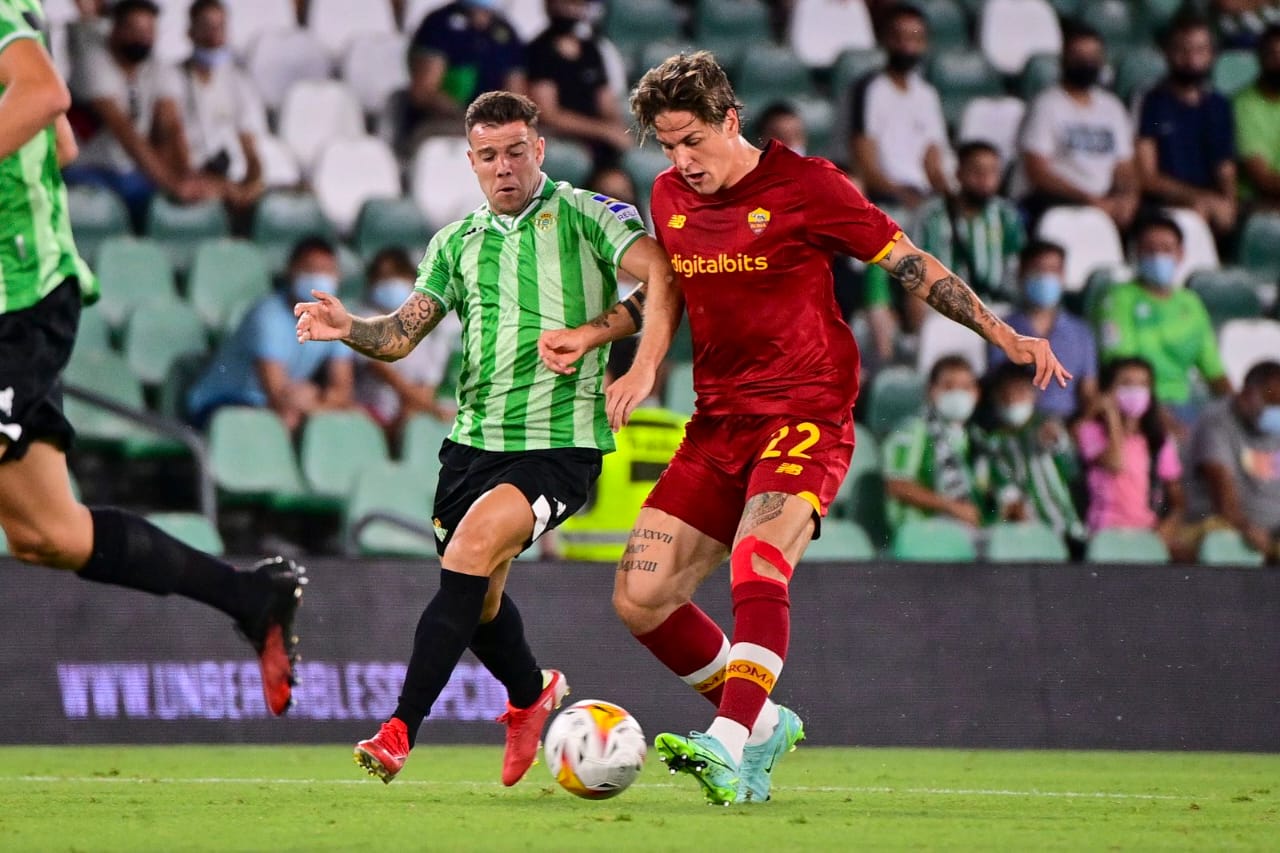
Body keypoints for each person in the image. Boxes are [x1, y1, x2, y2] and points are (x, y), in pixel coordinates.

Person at [538, 51, 1068, 806]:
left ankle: (725, 744)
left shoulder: (808, 186)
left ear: (731, 119)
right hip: (719, 421)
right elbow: (670, 289)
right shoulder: (669, 195)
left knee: (757, 559)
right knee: (641, 597)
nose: (681, 160)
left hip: (806, 412)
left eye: (693, 140)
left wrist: (1002, 334)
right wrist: (616, 347)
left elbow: (909, 263)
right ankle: (762, 726)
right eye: (668, 145)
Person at [294, 91, 671, 787]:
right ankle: (531, 691)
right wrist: (350, 329)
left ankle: (399, 728)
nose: (504, 167)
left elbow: (664, 276)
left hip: (558, 444)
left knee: (468, 553)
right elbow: (401, 334)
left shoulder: (589, 214)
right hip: (471, 446)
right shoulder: (454, 242)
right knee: (481, 598)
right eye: (489, 155)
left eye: (516, 151)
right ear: (470, 161)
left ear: (539, 150)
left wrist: (600, 337)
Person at [0, 0, 302, 719]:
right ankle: (250, 596)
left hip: (18, 301)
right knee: (48, 533)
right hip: (17, 300)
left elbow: (45, 94)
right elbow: (59, 145)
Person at [63, 0, 215, 227]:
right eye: (133, 29)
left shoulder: (156, 66)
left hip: (131, 173)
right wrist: (172, 183)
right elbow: (125, 132)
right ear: (116, 30)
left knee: (172, 208)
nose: (142, 38)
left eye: (148, 30)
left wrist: (187, 175)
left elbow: (171, 125)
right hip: (86, 170)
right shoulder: (93, 62)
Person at [186, 236, 356, 431]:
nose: (319, 277)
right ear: (291, 271)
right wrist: (316, 402)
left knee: (353, 416)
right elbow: (276, 395)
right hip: (223, 403)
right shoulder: (267, 317)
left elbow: (342, 390)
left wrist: (316, 403)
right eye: (310, 269)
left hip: (282, 404)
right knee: (288, 420)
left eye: (326, 270)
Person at [865, 140, 1027, 341]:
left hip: (997, 310)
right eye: (977, 170)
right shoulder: (931, 217)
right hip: (942, 313)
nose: (985, 179)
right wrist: (919, 334)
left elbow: (1018, 270)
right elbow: (915, 276)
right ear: (959, 173)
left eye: (993, 171)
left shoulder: (1007, 217)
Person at [1094, 214, 1230, 424]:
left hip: (1185, 405)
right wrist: (1160, 418)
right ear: (1136, 253)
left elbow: (1214, 371)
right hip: (1137, 407)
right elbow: (1123, 368)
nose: (1158, 256)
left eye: (1166, 249)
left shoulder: (1190, 303)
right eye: (1149, 249)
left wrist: (1238, 408)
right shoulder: (1117, 299)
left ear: (1180, 254)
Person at [1019, 21, 1139, 232]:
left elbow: (1124, 166)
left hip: (1106, 199)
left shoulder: (1112, 106)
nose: (1086, 62)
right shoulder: (1046, 104)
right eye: (1079, 56)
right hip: (1061, 199)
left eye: (1093, 56)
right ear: (1064, 59)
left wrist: (1128, 198)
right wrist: (1088, 200)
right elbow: (1037, 170)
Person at [1075, 357, 1188, 559]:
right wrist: (1112, 416)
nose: (1136, 391)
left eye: (1143, 384)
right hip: (1104, 534)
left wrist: (1168, 526)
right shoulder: (1091, 431)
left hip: (1146, 534)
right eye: (1126, 383)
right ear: (1108, 390)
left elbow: (1176, 496)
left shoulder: (1158, 441)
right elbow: (1115, 462)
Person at [1136, 14, 1238, 238]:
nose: (1192, 59)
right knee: (1196, 212)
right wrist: (1196, 196)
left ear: (1211, 54)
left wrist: (1229, 202)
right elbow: (1147, 176)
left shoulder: (1219, 105)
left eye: (1200, 51)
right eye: (1183, 50)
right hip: (1163, 202)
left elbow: (1225, 167)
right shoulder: (1151, 102)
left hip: (1209, 201)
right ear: (1168, 53)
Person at [973, 361, 1087, 555]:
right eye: (1006, 394)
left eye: (1020, 392)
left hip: (1067, 530)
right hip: (1028, 536)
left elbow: (1072, 469)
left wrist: (1059, 442)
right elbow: (1002, 490)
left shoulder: (1048, 426)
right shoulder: (992, 443)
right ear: (995, 398)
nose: (1012, 399)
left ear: (1034, 394)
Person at [389, 0, 526, 158]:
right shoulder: (439, 23)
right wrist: (471, 117)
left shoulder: (506, 32)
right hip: (440, 124)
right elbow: (423, 92)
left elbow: (515, 97)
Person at [847, 2, 949, 211]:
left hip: (922, 197)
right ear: (885, 39)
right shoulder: (869, 89)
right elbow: (864, 162)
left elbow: (933, 159)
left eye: (914, 38)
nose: (906, 46)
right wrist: (899, 194)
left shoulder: (927, 94)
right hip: (884, 198)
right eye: (899, 37)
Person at [354, 247, 461, 434]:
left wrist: (421, 406)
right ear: (371, 282)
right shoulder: (362, 320)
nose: (391, 282)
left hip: (412, 410)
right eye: (383, 277)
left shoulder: (424, 328)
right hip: (371, 413)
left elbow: (429, 384)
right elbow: (388, 376)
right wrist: (431, 408)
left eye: (397, 275)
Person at [177, 0, 267, 222]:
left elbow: (250, 147)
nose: (214, 35)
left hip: (232, 181)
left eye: (220, 27)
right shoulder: (172, 79)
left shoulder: (239, 82)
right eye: (206, 26)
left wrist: (252, 183)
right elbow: (170, 143)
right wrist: (219, 186)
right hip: (187, 177)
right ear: (190, 32)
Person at [989, 240, 1098, 422]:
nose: (1046, 277)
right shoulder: (1000, 329)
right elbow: (998, 388)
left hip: (1068, 425)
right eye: (1038, 269)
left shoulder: (1081, 332)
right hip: (1017, 423)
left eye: (1053, 270)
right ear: (1021, 274)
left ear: (1063, 276)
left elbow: (1088, 392)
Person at [1187, 360, 1280, 563]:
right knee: (1222, 537)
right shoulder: (1218, 420)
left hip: (1274, 533)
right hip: (1232, 527)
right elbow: (1221, 487)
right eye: (1271, 401)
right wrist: (1247, 527)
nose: (1277, 409)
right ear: (1247, 394)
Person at [882, 355, 987, 532]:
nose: (957, 394)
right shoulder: (913, 429)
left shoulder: (977, 438)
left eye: (965, 387)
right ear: (931, 390)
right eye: (948, 386)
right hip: (921, 532)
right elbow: (896, 485)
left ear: (976, 394)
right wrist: (951, 507)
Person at [526, 0, 630, 167]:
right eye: (564, 5)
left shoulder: (591, 49)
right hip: (562, 138)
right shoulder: (539, 50)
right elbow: (549, 114)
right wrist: (603, 130)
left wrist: (617, 129)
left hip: (597, 137)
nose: (569, 11)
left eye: (576, 5)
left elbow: (606, 101)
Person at [1233, 24, 1280, 211]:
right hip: (1258, 203)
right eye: (1272, 55)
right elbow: (1262, 178)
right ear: (1259, 58)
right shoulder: (1243, 104)